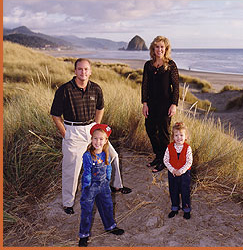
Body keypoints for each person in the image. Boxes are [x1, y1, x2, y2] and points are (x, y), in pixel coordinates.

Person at [50, 58, 131, 215]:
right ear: (75, 71)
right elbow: (55, 115)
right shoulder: (64, 90)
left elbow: (100, 107)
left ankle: (116, 185)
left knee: (112, 155)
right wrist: (65, 134)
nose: (83, 72)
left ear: (90, 71)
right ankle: (68, 203)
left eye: (86, 69)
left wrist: (96, 127)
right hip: (72, 130)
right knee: (72, 168)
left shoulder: (96, 88)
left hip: (91, 130)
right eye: (80, 69)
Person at [78, 124, 124, 247]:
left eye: (101, 139)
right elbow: (87, 171)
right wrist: (86, 186)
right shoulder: (88, 155)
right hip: (91, 186)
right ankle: (84, 234)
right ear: (91, 139)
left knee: (107, 205)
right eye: (95, 138)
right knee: (87, 210)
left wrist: (108, 180)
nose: (97, 142)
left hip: (103, 185)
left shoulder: (105, 153)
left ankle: (110, 226)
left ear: (105, 141)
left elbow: (108, 167)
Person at [141, 36, 179, 173]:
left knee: (164, 133)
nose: (159, 49)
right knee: (150, 129)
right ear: (153, 48)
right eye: (157, 46)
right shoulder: (148, 65)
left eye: (162, 47)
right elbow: (144, 85)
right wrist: (144, 103)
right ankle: (159, 156)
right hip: (151, 104)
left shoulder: (171, 65)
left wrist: (174, 104)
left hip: (165, 104)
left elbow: (176, 87)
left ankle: (164, 160)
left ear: (166, 49)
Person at [163, 122, 193, 219]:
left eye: (181, 135)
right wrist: (172, 170)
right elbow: (165, 160)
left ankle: (186, 209)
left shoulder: (187, 148)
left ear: (186, 137)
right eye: (176, 135)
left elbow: (189, 162)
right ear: (173, 137)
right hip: (173, 173)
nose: (179, 137)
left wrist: (181, 171)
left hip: (184, 174)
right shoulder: (169, 147)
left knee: (185, 191)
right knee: (173, 190)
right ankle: (175, 207)